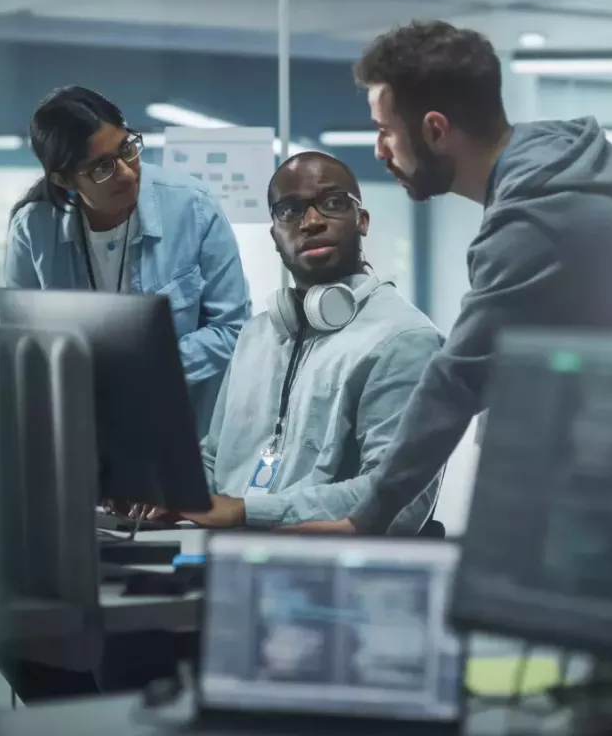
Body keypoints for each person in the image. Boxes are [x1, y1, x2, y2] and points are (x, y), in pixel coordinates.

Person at [297, 20, 612, 536]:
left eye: (385, 130)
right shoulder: (560, 158)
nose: (380, 150)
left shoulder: (534, 218)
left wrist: (364, 519)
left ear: (435, 130)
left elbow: (457, 379)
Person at [149, 152, 442, 530]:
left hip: (319, 567)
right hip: (222, 549)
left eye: (334, 204)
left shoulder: (403, 338)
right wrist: (173, 495)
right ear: (274, 235)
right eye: (290, 210)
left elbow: (400, 502)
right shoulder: (256, 335)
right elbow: (213, 458)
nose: (312, 222)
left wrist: (243, 511)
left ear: (362, 220)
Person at [5, 86, 251, 437]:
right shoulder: (33, 230)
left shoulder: (192, 207)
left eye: (127, 148)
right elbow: (21, 347)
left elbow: (233, 329)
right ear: (63, 179)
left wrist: (139, 368)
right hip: (80, 437)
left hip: (185, 434)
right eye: (101, 167)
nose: (127, 172)